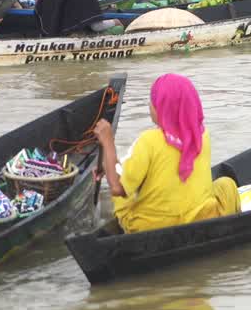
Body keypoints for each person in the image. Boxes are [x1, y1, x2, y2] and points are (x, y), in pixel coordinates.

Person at [92, 74, 240, 234]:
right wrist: (106, 166)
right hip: (201, 218)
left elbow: (117, 188)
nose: (150, 104)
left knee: (125, 193)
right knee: (226, 184)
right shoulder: (202, 135)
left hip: (149, 227)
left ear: (161, 107)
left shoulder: (148, 141)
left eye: (153, 101)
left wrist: (107, 141)